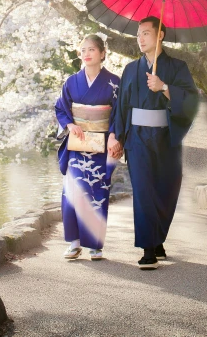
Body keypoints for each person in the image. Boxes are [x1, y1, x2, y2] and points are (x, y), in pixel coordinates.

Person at [112, 16, 199, 269]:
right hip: (137, 138)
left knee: (166, 189)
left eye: (146, 33)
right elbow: (121, 107)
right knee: (143, 191)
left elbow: (192, 102)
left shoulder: (178, 67)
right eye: (138, 34)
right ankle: (148, 249)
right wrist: (116, 137)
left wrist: (164, 87)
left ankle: (158, 236)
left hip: (166, 136)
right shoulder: (130, 70)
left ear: (160, 35)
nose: (140, 38)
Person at [55, 35, 122, 261]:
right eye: (83, 50)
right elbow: (61, 108)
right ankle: (74, 243)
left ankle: (95, 244)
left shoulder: (115, 82)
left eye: (92, 49)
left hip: (103, 143)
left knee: (97, 190)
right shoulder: (71, 82)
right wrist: (70, 124)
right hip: (78, 143)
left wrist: (113, 135)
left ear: (102, 53)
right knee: (73, 191)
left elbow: (121, 112)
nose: (86, 53)